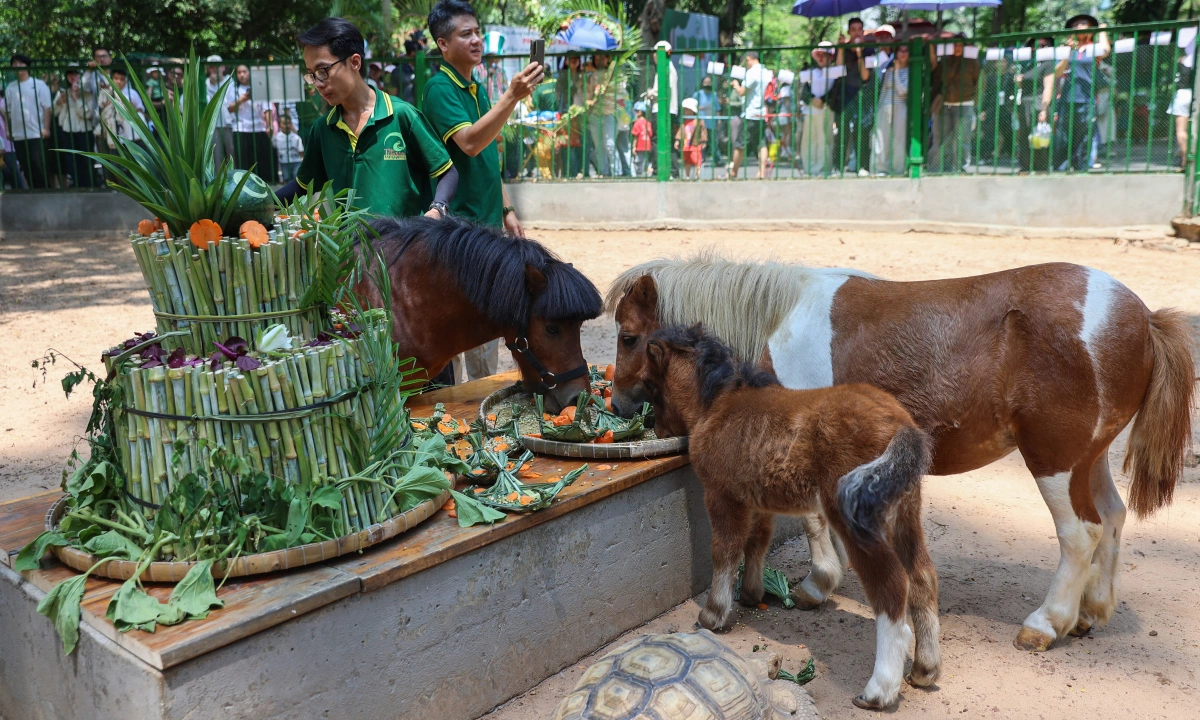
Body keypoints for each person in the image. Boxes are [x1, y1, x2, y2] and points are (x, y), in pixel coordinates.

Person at [422, 0, 542, 382]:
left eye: (477, 32)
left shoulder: (476, 88)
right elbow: (471, 143)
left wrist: (506, 209)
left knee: (484, 330)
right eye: (465, 34)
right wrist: (513, 96)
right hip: (458, 231)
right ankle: (461, 406)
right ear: (443, 44)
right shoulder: (439, 88)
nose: (476, 40)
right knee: (463, 327)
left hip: (487, 225)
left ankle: (481, 402)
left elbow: (488, 155)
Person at [278, 16, 457, 223]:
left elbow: (447, 171)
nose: (317, 83)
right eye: (311, 74)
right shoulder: (323, 129)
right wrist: (259, 203)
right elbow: (302, 186)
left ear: (355, 62)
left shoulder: (401, 116)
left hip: (404, 242)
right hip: (347, 243)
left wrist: (438, 208)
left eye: (323, 71)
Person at [1045, 15, 1110, 172]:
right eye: (1075, 24)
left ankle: (1081, 168)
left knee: (1085, 136)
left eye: (1083, 23)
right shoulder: (1066, 49)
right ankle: (1061, 168)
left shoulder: (1093, 48)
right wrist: (1067, 53)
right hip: (1066, 99)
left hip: (1087, 100)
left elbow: (1106, 50)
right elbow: (1057, 72)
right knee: (1063, 136)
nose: (1078, 26)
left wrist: (1102, 30)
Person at [930, 34, 981, 173]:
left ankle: (961, 168)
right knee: (943, 138)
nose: (957, 47)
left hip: (965, 104)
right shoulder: (945, 60)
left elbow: (980, 83)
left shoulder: (972, 61)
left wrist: (974, 102)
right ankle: (943, 167)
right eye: (954, 44)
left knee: (962, 139)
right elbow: (936, 77)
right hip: (945, 104)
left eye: (960, 44)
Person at [831, 17, 874, 176]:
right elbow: (838, 69)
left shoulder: (869, 50)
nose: (856, 32)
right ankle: (838, 167)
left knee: (861, 131)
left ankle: (862, 166)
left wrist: (859, 53)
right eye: (853, 29)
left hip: (862, 95)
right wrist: (841, 48)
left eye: (859, 29)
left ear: (863, 31)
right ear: (849, 31)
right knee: (842, 132)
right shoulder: (842, 47)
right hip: (844, 95)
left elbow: (865, 76)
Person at [5, 54, 53, 189]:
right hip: (18, 134)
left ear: (27, 66)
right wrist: (8, 130)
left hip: (36, 133)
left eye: (20, 63)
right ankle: (33, 191)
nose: (17, 66)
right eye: (14, 64)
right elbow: (8, 111)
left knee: (38, 163)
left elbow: (47, 108)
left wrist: (46, 128)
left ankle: (45, 190)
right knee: (25, 165)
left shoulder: (39, 84)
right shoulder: (10, 88)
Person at [227, 65, 275, 178]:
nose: (242, 75)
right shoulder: (234, 89)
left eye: (244, 71)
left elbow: (267, 108)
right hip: (241, 129)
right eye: (239, 72)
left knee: (262, 162)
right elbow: (230, 108)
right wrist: (242, 100)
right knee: (244, 163)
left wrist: (269, 125)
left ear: (249, 72)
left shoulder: (259, 87)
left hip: (259, 128)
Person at [53, 64, 97, 187]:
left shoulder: (87, 93)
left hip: (84, 131)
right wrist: (59, 103)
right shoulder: (62, 92)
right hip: (67, 131)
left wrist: (76, 99)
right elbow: (54, 112)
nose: (73, 76)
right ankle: (76, 184)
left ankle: (91, 185)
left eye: (75, 73)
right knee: (71, 160)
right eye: (70, 73)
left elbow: (87, 114)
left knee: (86, 160)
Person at [729, 51, 771, 179]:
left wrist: (736, 85)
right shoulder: (766, 72)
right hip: (762, 113)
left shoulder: (752, 73)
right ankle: (761, 172)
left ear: (748, 59)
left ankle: (733, 172)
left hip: (750, 114)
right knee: (762, 144)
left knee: (740, 144)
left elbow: (742, 92)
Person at [871, 44, 910, 176]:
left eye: (906, 51)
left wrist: (897, 72)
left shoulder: (910, 71)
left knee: (898, 140)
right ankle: (880, 169)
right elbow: (883, 91)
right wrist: (879, 108)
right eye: (900, 51)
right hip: (885, 107)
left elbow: (902, 91)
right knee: (881, 139)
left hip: (900, 107)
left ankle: (898, 170)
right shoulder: (889, 70)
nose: (903, 54)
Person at [799, 43, 836, 176]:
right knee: (809, 140)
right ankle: (809, 169)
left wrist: (823, 100)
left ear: (831, 57)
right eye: (818, 55)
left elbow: (836, 89)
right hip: (810, 111)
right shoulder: (811, 72)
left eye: (824, 55)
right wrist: (812, 99)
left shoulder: (835, 72)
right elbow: (803, 89)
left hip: (826, 110)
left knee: (824, 140)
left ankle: (823, 169)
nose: (821, 58)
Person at [645, 41, 679, 177]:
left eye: (656, 53)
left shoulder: (666, 67)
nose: (654, 56)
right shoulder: (666, 67)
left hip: (663, 109)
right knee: (666, 140)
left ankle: (660, 170)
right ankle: (671, 170)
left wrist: (651, 93)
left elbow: (665, 89)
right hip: (666, 109)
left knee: (659, 140)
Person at [97, 63, 147, 150]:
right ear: (111, 79)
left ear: (125, 80)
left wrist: (132, 109)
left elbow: (141, 110)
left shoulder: (132, 93)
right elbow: (101, 110)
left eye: (122, 79)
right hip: (114, 133)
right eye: (116, 78)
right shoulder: (105, 93)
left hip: (132, 134)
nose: (119, 82)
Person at [205, 56, 237, 170]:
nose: (215, 69)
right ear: (208, 69)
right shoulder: (205, 84)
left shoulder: (230, 82)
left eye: (217, 66)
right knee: (216, 157)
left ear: (223, 67)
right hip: (213, 126)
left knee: (232, 154)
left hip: (229, 124)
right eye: (212, 67)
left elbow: (230, 103)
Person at [1170, 48, 1196, 169]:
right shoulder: (1195, 60)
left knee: (1181, 130)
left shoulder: (1179, 62)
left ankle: (1185, 160)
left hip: (1182, 95)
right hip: (1195, 94)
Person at [0, 91, 28, 190]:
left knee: (12, 170)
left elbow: (10, 117)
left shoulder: (4, 102)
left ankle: (21, 192)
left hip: (6, 144)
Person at [676, 97, 706, 180]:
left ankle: (697, 175)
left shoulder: (698, 121)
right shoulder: (684, 121)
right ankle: (687, 176)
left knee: (696, 160)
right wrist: (678, 140)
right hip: (686, 144)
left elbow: (703, 131)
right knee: (687, 161)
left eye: (687, 109)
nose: (685, 111)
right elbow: (681, 131)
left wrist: (703, 141)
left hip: (695, 144)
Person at [692, 76, 720, 166]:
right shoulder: (698, 94)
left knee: (713, 142)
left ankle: (717, 159)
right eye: (705, 82)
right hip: (701, 122)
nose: (707, 84)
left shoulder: (714, 95)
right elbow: (692, 107)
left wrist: (719, 119)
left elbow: (717, 108)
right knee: (701, 141)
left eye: (709, 82)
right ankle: (700, 159)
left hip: (711, 122)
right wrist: (698, 108)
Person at [271, 113, 304, 182]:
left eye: (289, 123)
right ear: (279, 125)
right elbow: (274, 148)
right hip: (284, 162)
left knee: (296, 178)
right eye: (284, 124)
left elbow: (300, 150)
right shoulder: (276, 137)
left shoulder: (296, 137)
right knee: (286, 178)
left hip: (296, 161)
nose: (287, 126)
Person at [631, 100, 653, 176]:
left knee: (638, 161)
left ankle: (639, 174)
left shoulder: (637, 123)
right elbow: (650, 134)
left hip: (639, 146)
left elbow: (635, 136)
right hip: (647, 145)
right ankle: (645, 172)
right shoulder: (648, 123)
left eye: (636, 111)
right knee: (645, 160)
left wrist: (634, 146)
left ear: (640, 112)